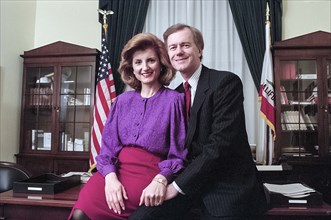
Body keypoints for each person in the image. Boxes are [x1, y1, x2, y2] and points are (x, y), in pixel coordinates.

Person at [129, 24, 268, 219]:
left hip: (226, 189)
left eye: (185, 45)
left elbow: (219, 145)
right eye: (173, 47)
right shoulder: (174, 96)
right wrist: (161, 179)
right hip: (189, 186)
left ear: (199, 49)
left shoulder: (225, 83)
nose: (179, 52)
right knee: (141, 217)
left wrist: (176, 187)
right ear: (167, 56)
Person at [69, 32, 187, 220]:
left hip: (149, 175)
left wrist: (162, 179)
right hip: (114, 171)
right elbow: (107, 148)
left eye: (151, 61)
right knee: (79, 214)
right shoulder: (121, 101)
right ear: (131, 67)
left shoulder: (175, 101)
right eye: (138, 62)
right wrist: (110, 177)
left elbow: (178, 153)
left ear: (161, 63)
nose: (145, 67)